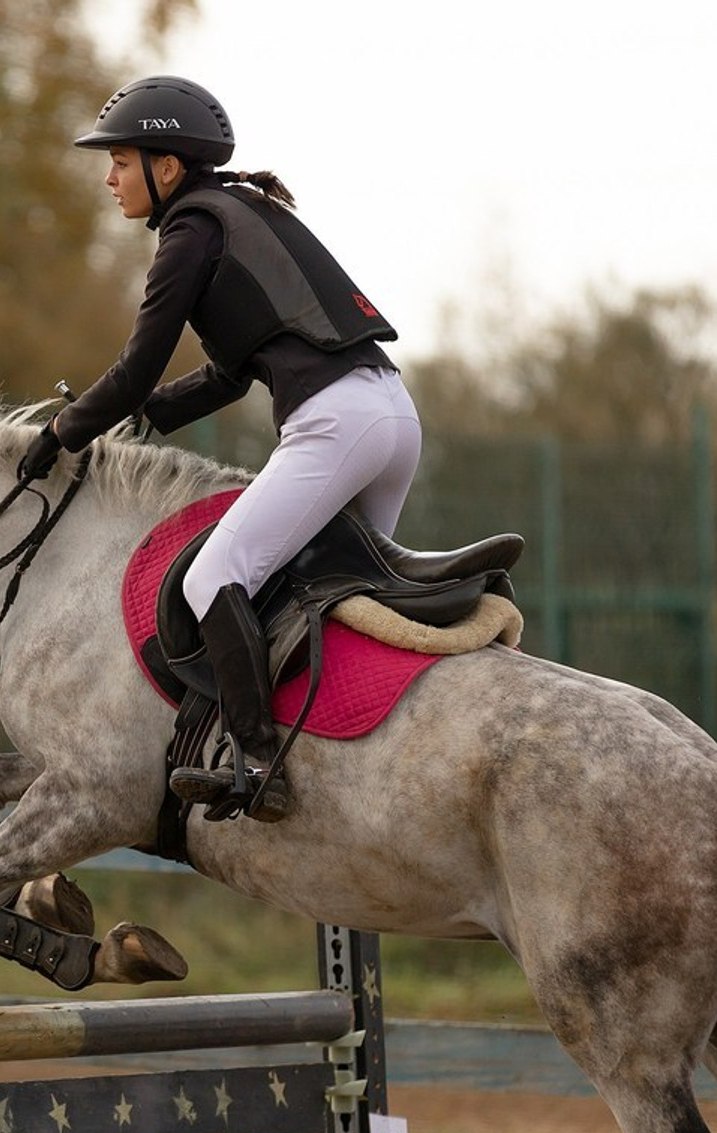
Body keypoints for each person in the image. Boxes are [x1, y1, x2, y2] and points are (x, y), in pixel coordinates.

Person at [21, 76, 422, 823]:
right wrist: (143, 417)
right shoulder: (239, 213)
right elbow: (229, 375)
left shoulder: (190, 232)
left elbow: (137, 367)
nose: (109, 177)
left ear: (166, 167)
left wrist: (61, 432)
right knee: (327, 600)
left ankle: (256, 760)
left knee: (214, 577)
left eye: (121, 160)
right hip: (391, 416)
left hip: (336, 423)